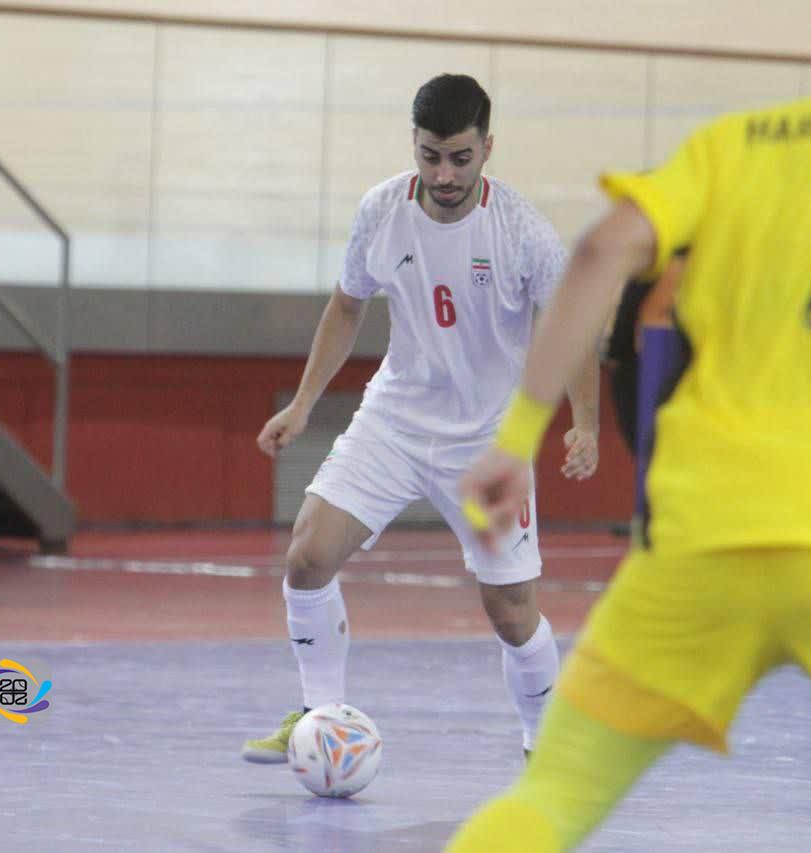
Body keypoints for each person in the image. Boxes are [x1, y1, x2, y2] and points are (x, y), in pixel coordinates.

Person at [450, 2, 811, 850]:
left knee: (552, 796)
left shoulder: (737, 144)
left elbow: (601, 252)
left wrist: (518, 436)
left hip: (704, 531)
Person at [241, 74, 601, 764]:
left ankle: (545, 743)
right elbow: (347, 305)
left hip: (489, 440)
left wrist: (584, 423)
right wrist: (304, 402)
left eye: (460, 158)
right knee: (308, 555)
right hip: (396, 421)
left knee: (512, 612)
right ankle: (319, 717)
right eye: (431, 156)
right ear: (414, 143)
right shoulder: (381, 210)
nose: (444, 175)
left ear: (487, 148)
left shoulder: (522, 231)